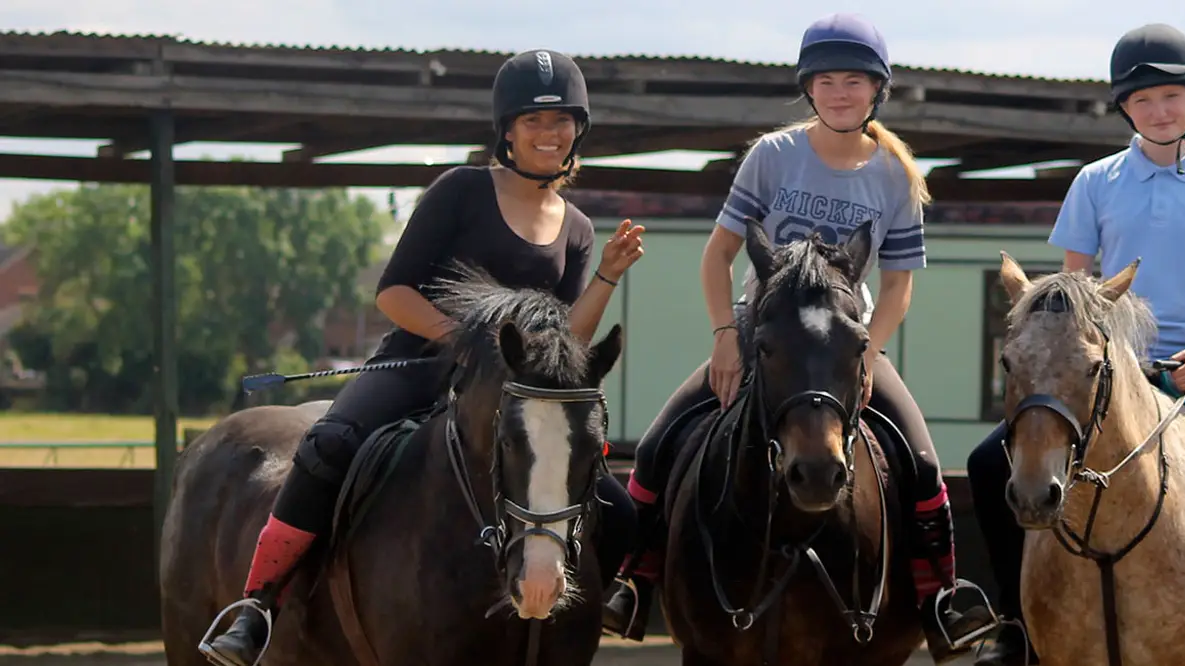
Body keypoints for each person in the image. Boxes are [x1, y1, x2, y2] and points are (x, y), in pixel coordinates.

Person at [196, 48, 648, 666]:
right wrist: (470, 346)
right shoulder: (460, 191)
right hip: (419, 363)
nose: (550, 133)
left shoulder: (576, 226)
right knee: (328, 447)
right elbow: (394, 293)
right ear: (507, 132)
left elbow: (561, 338)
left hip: (512, 393)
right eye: (535, 122)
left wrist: (608, 277)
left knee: (615, 504)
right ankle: (256, 607)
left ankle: (614, 591)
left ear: (578, 131)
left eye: (562, 121)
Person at [599, 12, 998, 661]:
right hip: (764, 337)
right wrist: (725, 333)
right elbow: (717, 255)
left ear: (877, 91)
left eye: (855, 82)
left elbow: (897, 285)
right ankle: (634, 583)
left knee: (923, 463)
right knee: (656, 446)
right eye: (828, 81)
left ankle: (941, 597)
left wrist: (870, 347)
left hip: (845, 345)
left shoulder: (895, 175)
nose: (841, 93)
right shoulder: (773, 155)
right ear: (809, 89)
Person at [964, 23, 1185, 666]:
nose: (1159, 111)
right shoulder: (1096, 182)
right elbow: (1072, 297)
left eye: (1171, 97)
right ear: (1125, 107)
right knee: (991, 462)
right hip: (1104, 368)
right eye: (1143, 100)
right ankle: (1013, 626)